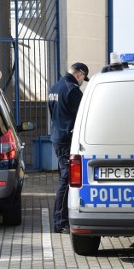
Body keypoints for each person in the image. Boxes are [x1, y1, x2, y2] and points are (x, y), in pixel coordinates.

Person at [48, 62, 89, 233]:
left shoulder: (54, 87)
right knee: (66, 180)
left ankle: (61, 219)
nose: (82, 81)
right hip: (67, 139)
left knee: (64, 178)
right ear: (79, 73)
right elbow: (82, 115)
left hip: (57, 136)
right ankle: (60, 221)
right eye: (83, 77)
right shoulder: (72, 90)